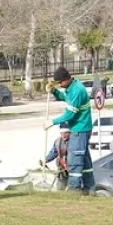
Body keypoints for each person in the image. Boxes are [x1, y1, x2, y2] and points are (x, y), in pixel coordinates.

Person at [47, 67, 94, 195]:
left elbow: (69, 115)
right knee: (85, 160)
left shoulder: (77, 90)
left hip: (80, 129)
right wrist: (54, 92)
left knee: (75, 160)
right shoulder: (72, 88)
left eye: (59, 83)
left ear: (66, 79)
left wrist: (52, 122)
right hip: (81, 128)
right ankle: (89, 188)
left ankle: (74, 189)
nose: (60, 85)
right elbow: (65, 97)